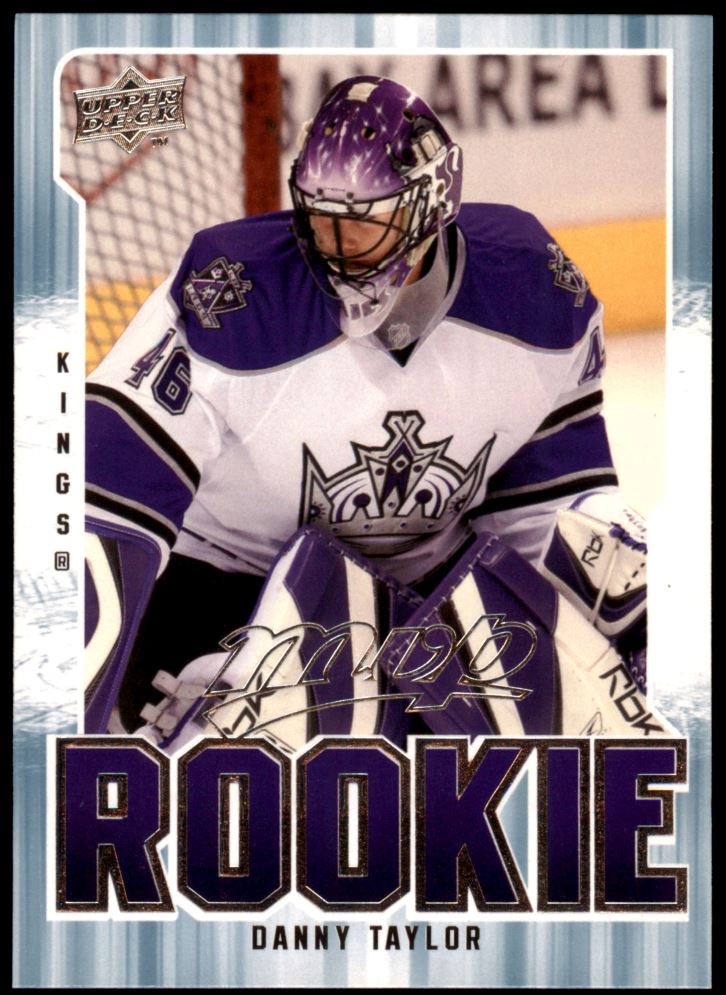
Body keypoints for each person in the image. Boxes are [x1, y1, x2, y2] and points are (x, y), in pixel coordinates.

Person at [84, 74, 652, 749]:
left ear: (430, 207)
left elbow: (543, 508)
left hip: (431, 604)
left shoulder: (531, 289)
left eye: (363, 224)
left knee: (619, 573)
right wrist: (67, 725)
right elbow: (106, 507)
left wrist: (598, 638)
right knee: (293, 736)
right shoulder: (230, 296)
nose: (336, 246)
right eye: (320, 219)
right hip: (224, 594)